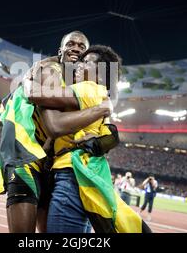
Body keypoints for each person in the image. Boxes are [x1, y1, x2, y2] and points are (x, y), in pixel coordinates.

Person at [0, 31, 118, 233]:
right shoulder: (49, 70)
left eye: (82, 47)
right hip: (24, 154)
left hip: (48, 162)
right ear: (61, 50)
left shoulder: (77, 84)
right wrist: (27, 80)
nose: (77, 48)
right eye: (71, 44)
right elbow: (54, 125)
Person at [42, 45, 150, 233]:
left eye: (86, 63)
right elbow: (109, 135)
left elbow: (42, 96)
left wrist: (39, 70)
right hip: (81, 177)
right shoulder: (100, 96)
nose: (79, 65)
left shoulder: (87, 88)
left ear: (101, 75)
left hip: (71, 175)